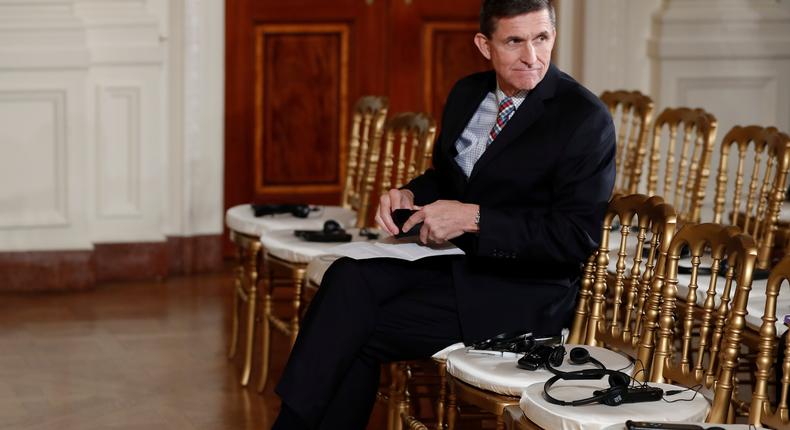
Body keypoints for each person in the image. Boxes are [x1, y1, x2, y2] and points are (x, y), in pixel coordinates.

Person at [272, 0, 615, 428]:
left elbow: (574, 237)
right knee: (347, 277)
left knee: (352, 329)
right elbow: (447, 178)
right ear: (484, 45)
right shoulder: (468, 94)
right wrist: (408, 193)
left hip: (526, 293)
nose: (532, 56)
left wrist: (476, 219)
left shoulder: (584, 119)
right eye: (514, 42)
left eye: (541, 38)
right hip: (461, 265)